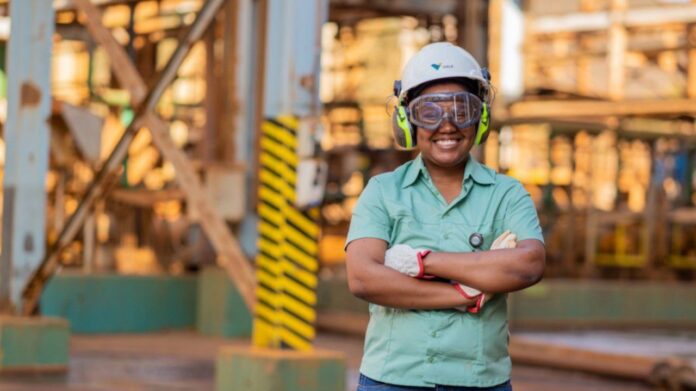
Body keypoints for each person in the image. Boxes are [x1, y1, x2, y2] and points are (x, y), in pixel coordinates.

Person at [344, 42, 546, 390]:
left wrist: (422, 263)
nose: (447, 125)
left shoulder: (507, 194)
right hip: (392, 380)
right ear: (407, 120)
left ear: (480, 117)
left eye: (461, 109)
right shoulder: (382, 191)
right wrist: (465, 293)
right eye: (430, 112)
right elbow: (363, 278)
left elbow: (528, 265)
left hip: (480, 381)